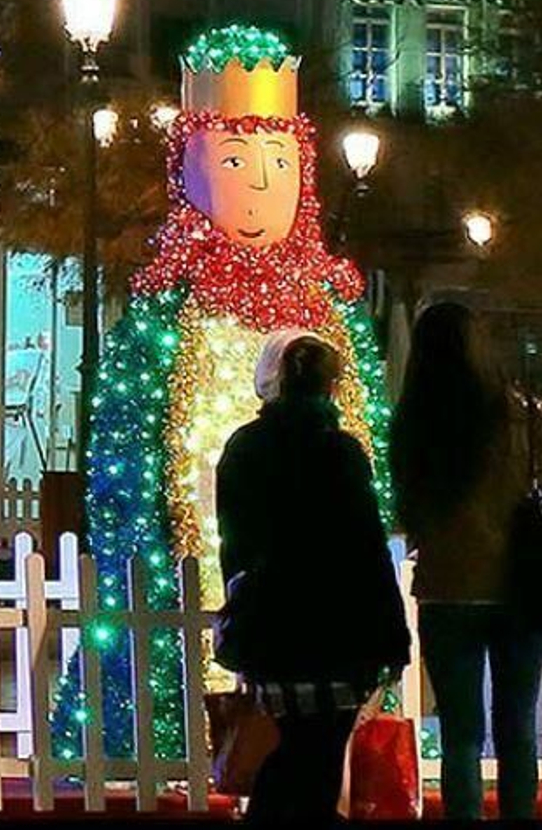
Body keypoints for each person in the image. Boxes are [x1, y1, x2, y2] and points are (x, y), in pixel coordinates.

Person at [391, 302, 542, 821]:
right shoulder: (528, 415)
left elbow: (408, 507)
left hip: (448, 588)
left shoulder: (416, 423)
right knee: (516, 726)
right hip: (521, 586)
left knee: (461, 732)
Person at [216, 336, 409, 821]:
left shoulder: (246, 447)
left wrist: (241, 607)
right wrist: (391, 635)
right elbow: (367, 549)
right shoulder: (340, 452)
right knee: (318, 756)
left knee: (296, 748)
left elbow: (234, 544)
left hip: (272, 625)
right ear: (331, 386)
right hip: (337, 629)